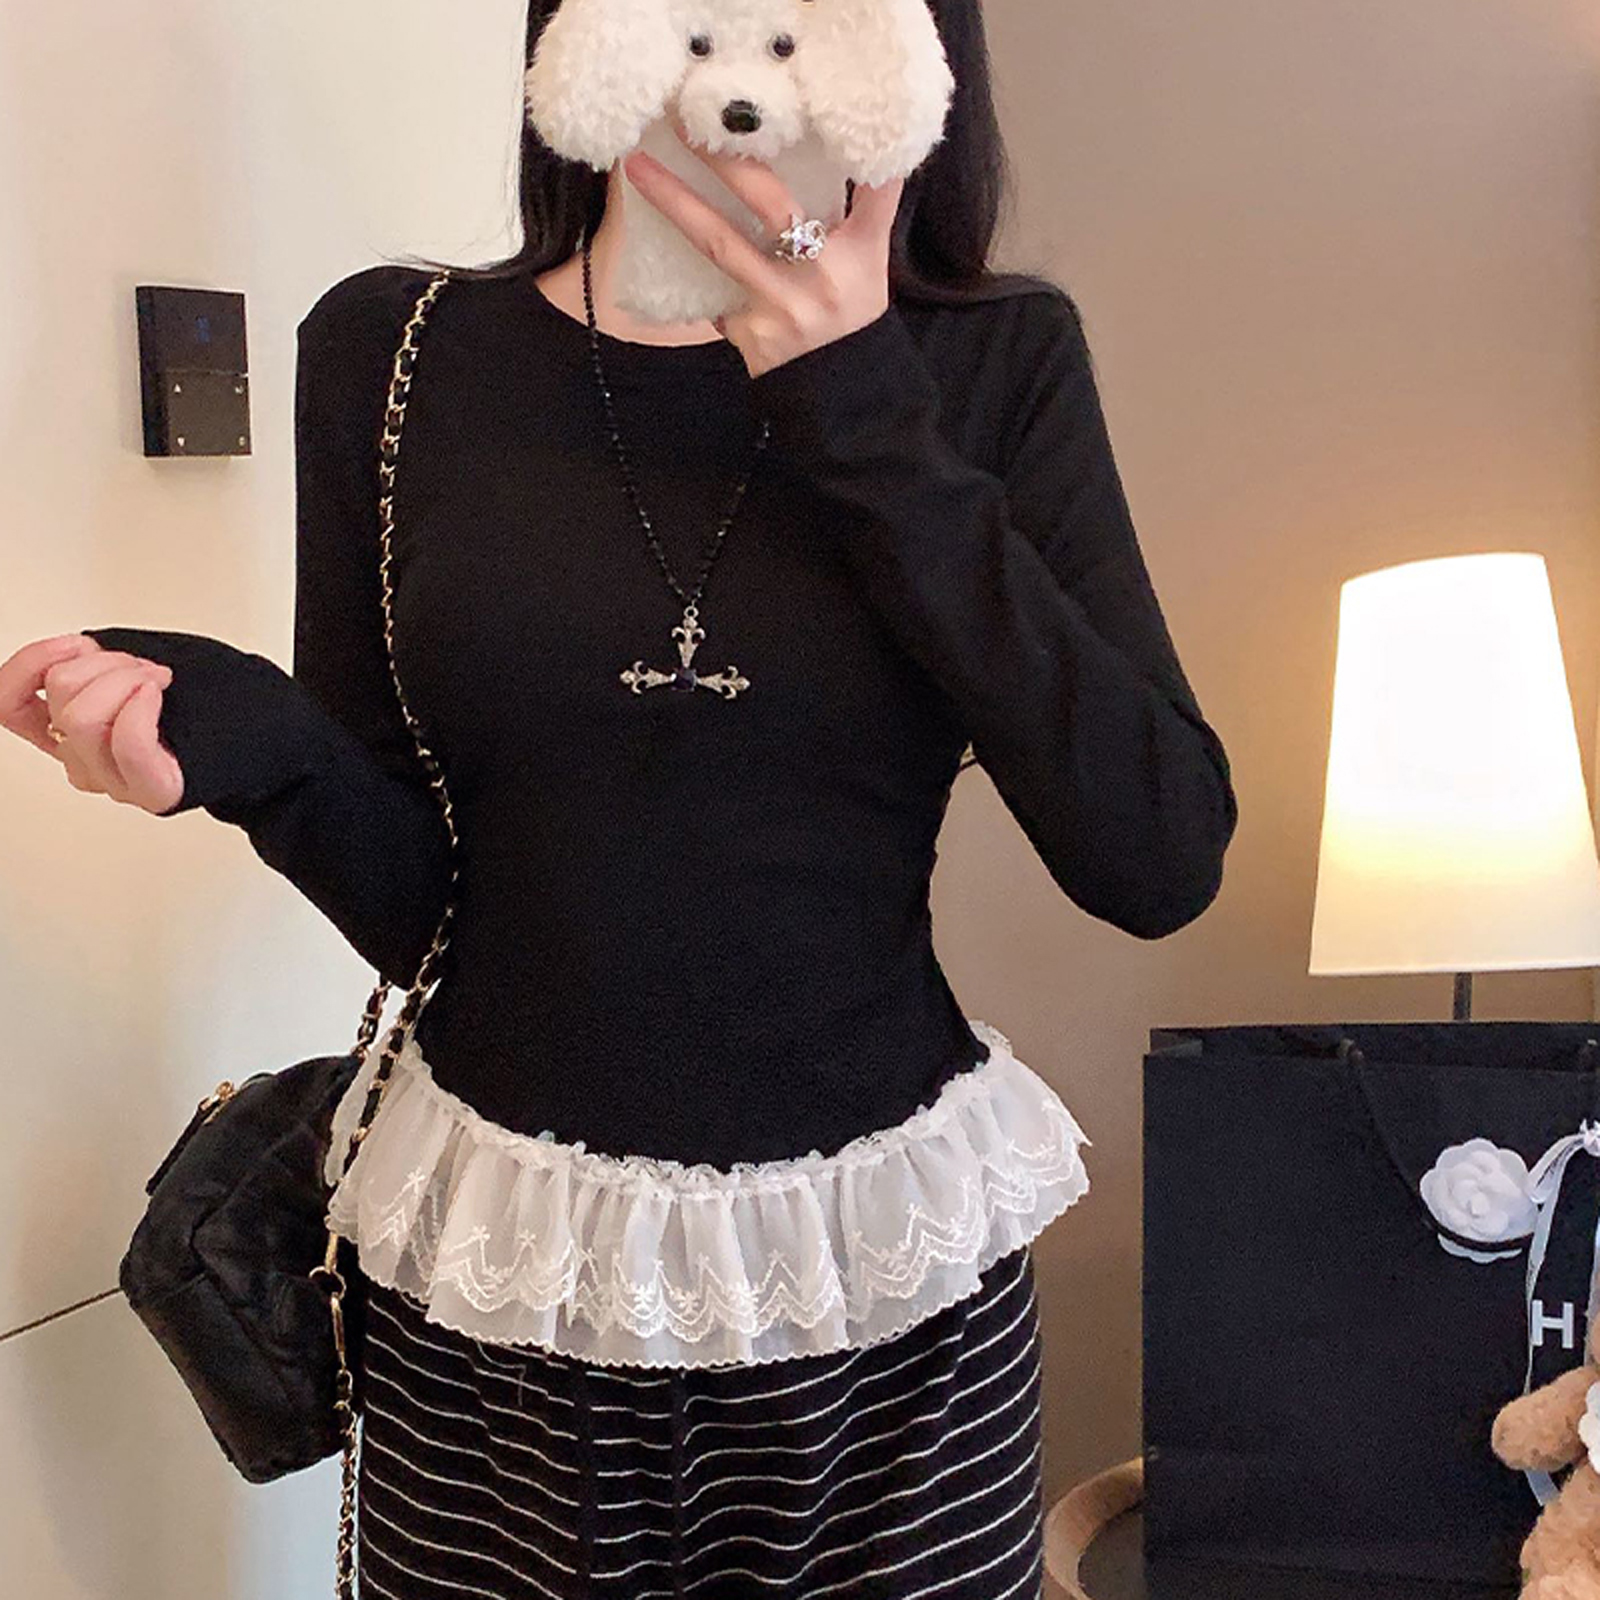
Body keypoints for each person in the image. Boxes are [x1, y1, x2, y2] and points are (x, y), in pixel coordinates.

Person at [0, 2, 1238, 1594]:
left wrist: (861, 404)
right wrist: (250, 745)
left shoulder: (988, 358)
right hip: (496, 1296)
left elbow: (1155, 852)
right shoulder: (394, 352)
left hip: (884, 1301)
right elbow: (439, 914)